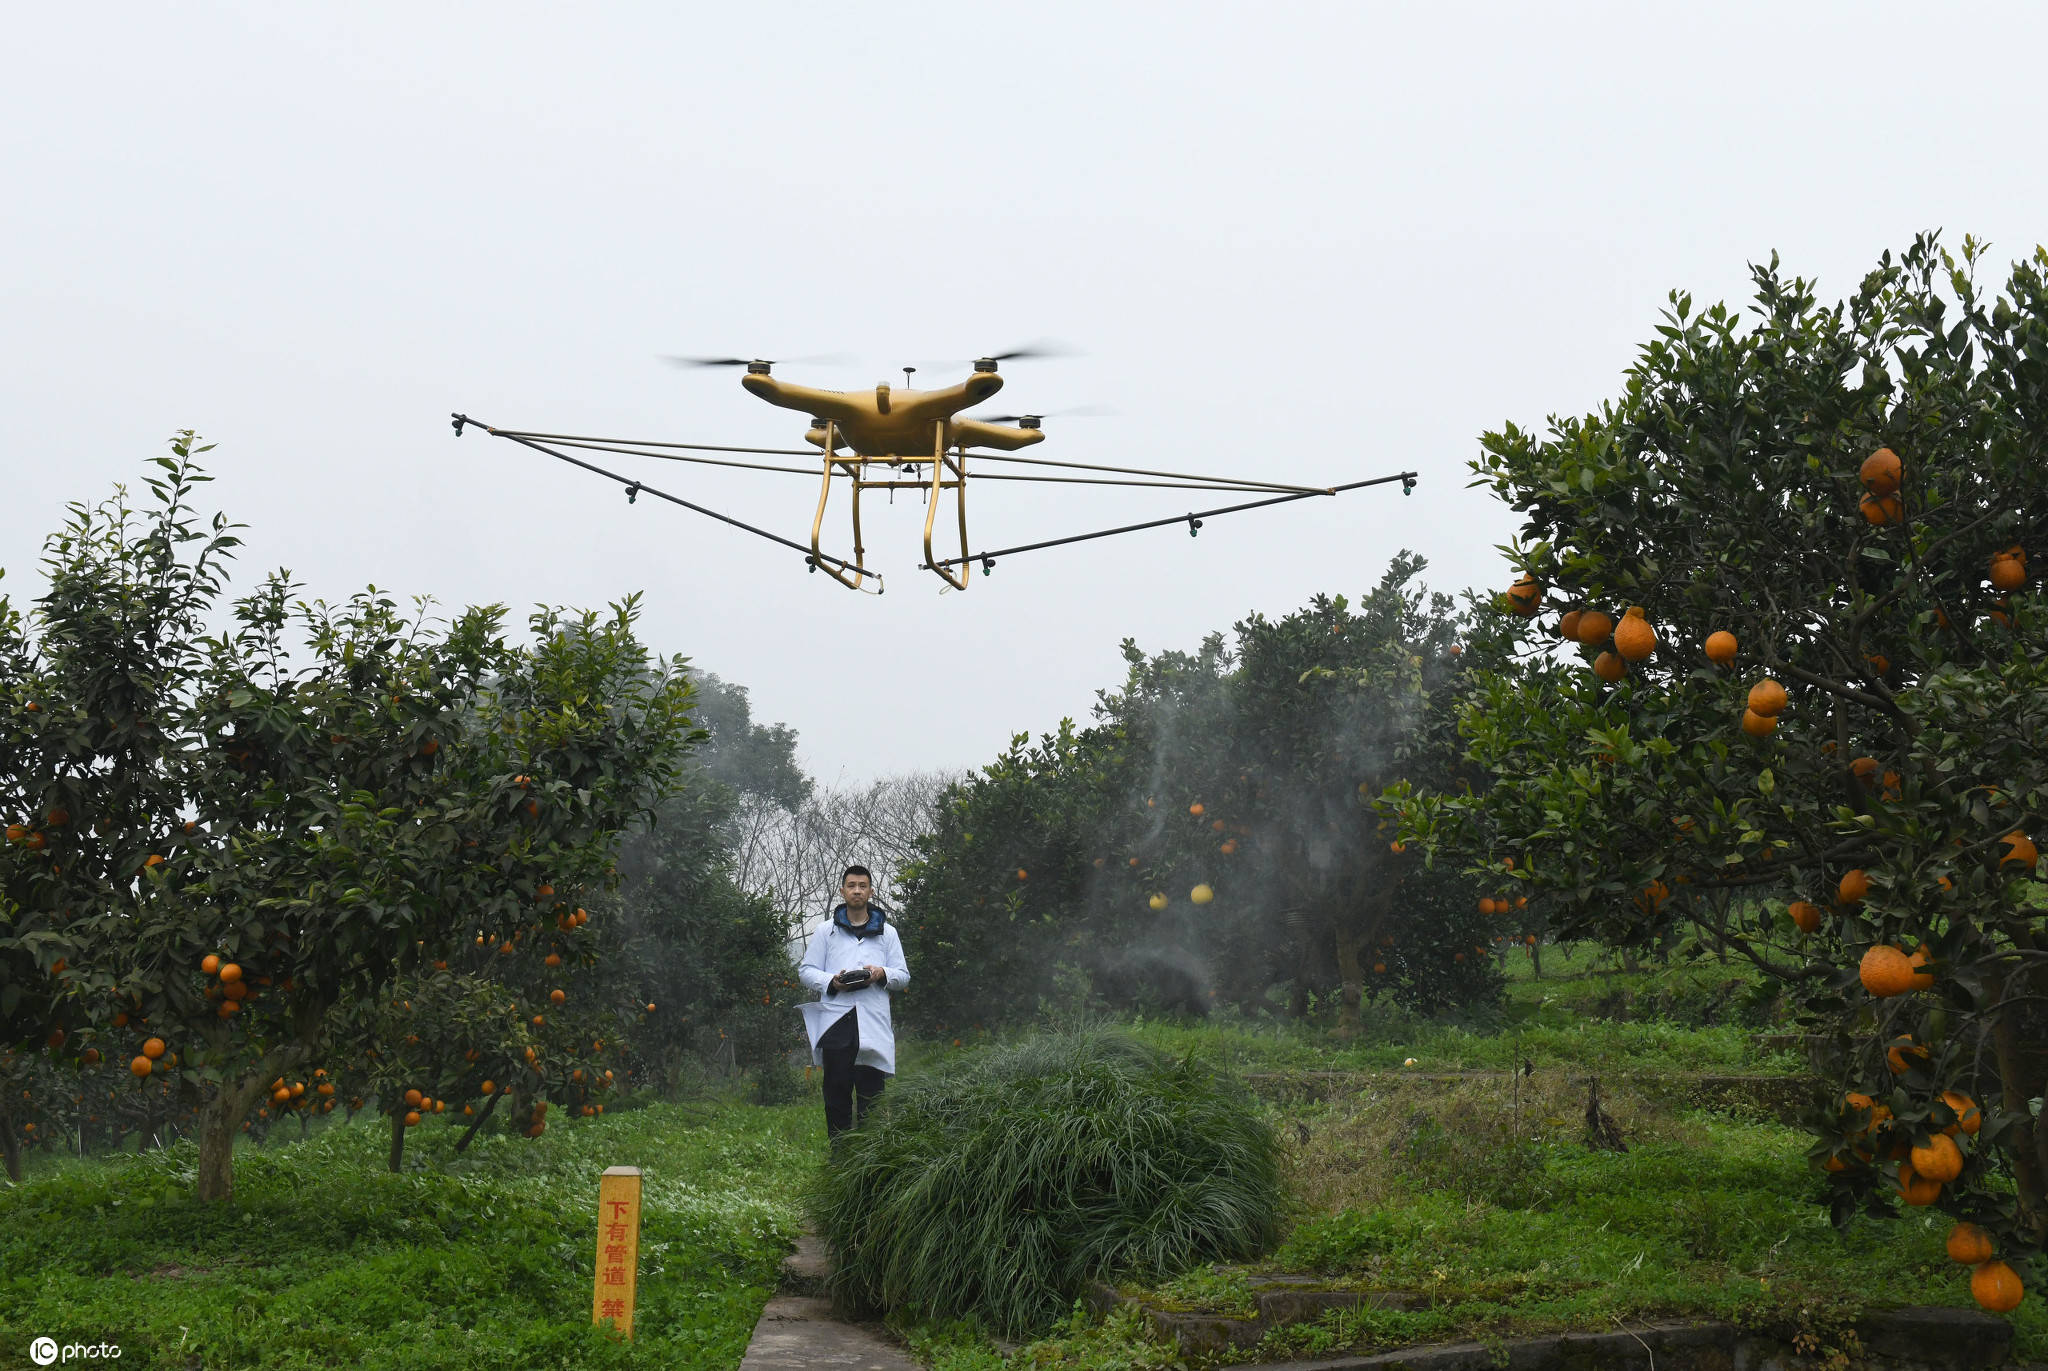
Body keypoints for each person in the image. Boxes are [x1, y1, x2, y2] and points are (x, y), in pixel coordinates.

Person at [798, 865, 910, 1141]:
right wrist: (832, 981)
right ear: (842, 891)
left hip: (872, 1022)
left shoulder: (888, 933)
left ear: (871, 891)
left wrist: (882, 973)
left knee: (872, 1096)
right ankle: (839, 1157)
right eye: (851, 885)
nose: (857, 890)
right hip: (837, 1021)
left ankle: (868, 1161)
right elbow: (806, 970)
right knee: (836, 1093)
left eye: (862, 885)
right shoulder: (826, 931)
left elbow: (903, 975)